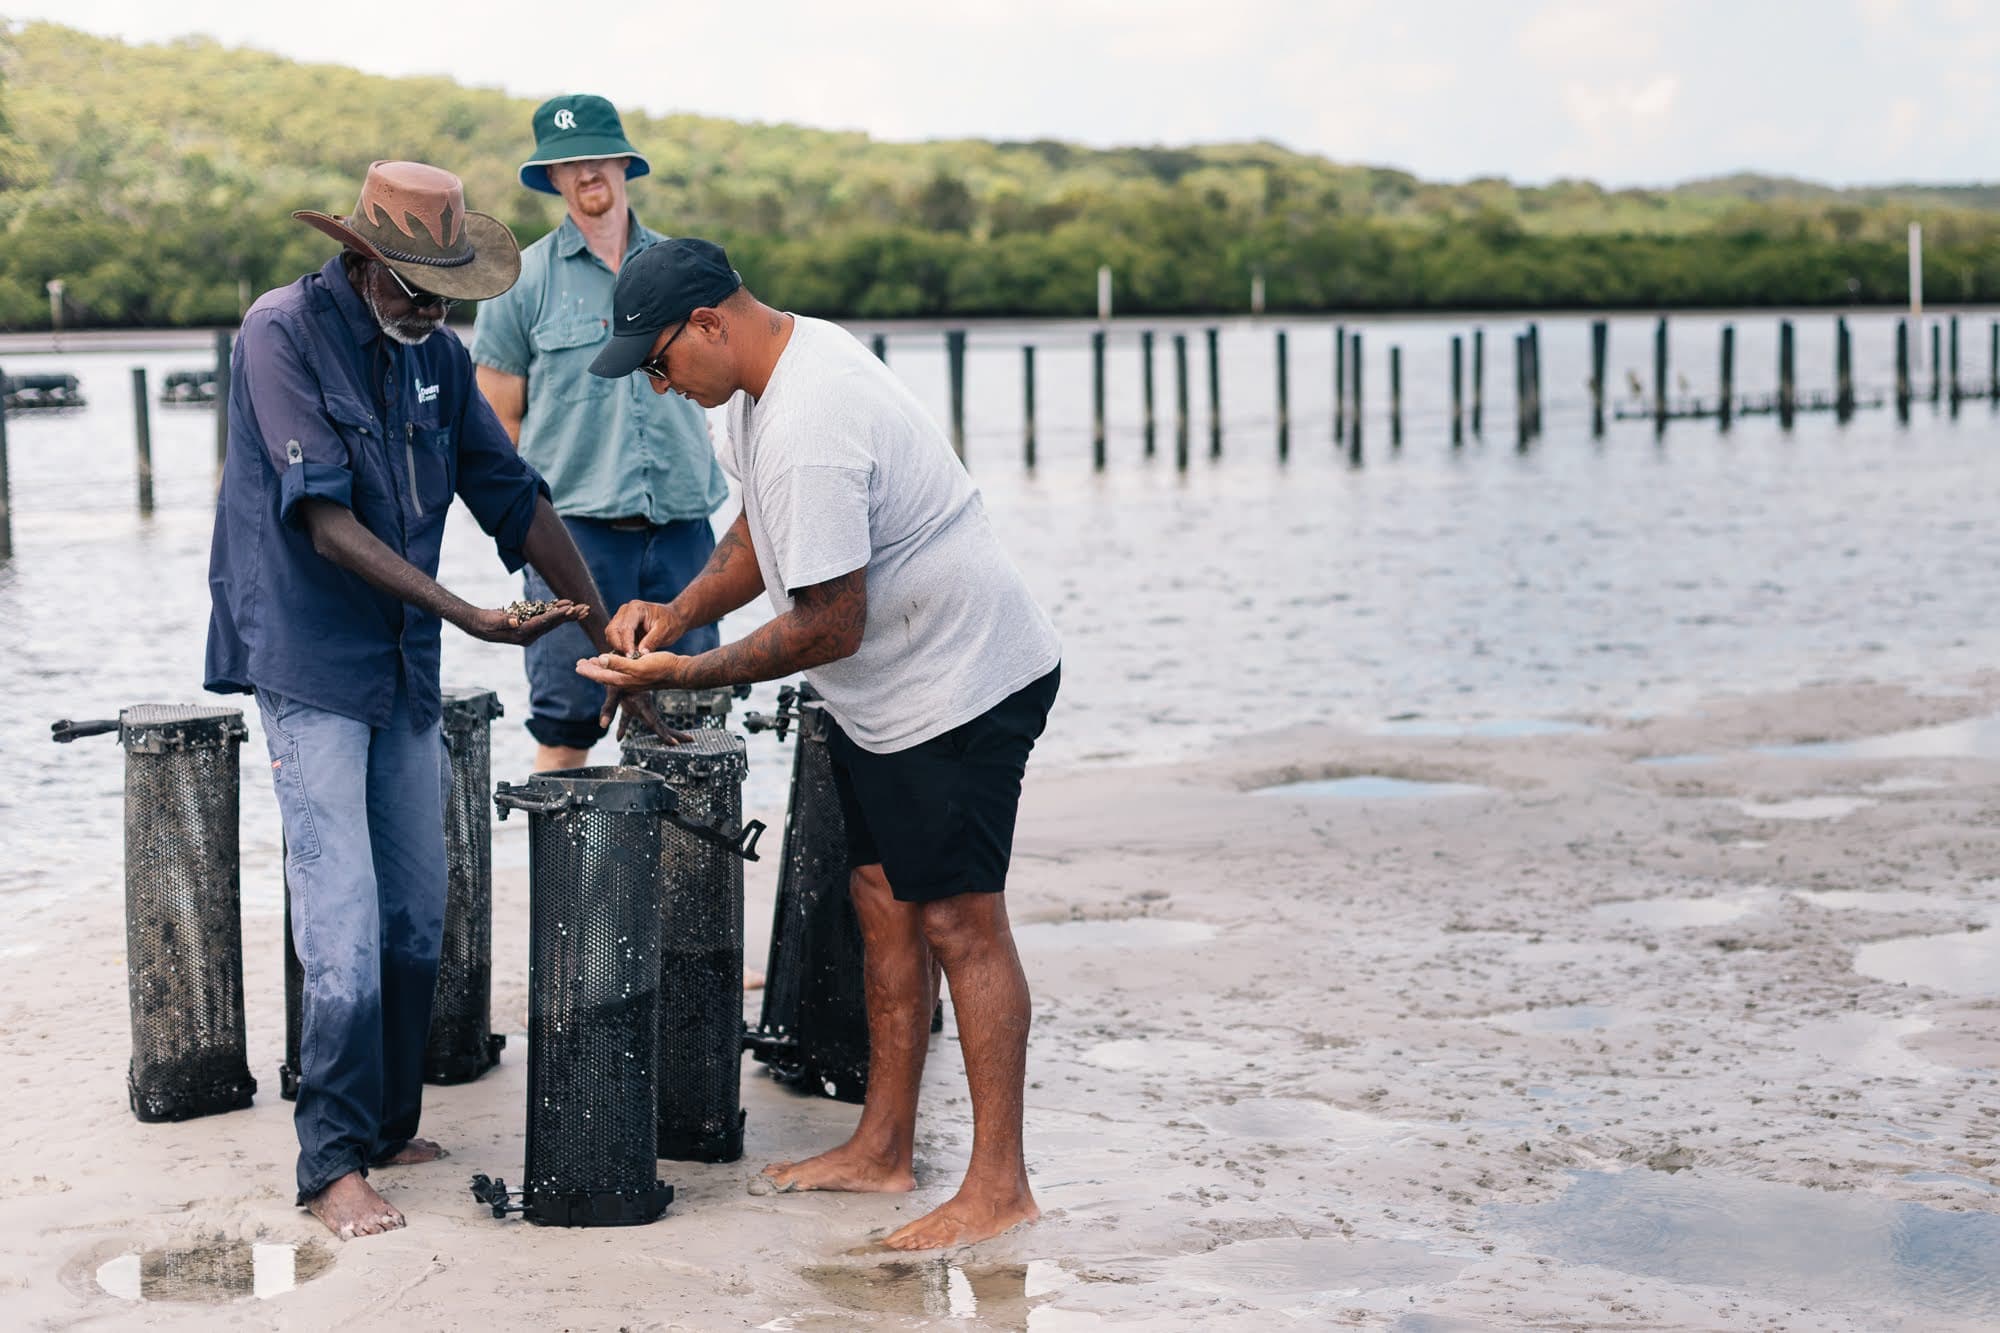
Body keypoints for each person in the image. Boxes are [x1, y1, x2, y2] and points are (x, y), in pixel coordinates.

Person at [576, 239, 1062, 1252]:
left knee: (960, 921)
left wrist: (683, 673)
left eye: (660, 362)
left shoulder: (810, 416)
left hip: (963, 683)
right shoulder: (759, 390)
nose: (661, 386)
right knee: (882, 898)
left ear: (709, 321)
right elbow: (759, 538)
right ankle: (882, 1148)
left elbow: (827, 623)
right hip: (887, 691)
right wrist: (677, 613)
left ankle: (999, 1185)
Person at [205, 161, 641, 1241]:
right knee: (341, 915)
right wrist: (468, 614)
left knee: (416, 907)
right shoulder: (279, 333)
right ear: (361, 262)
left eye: (448, 287)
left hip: (401, 663)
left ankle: (388, 1122)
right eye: (414, 285)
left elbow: (515, 499)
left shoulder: (438, 355)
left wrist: (602, 636)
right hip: (307, 661)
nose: (435, 308)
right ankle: (330, 1163)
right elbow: (323, 522)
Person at [472, 94, 729, 775]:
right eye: (567, 163)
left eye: (597, 157)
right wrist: (531, 543)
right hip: (571, 539)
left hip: (685, 534)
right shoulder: (517, 284)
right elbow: (495, 427)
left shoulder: (684, 267)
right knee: (565, 723)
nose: (586, 173)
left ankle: (683, 883)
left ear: (623, 164)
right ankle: (563, 885)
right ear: (551, 178)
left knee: (695, 723)